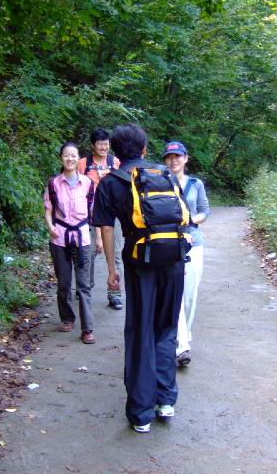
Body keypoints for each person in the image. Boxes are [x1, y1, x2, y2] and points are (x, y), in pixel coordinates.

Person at [92, 124, 186, 433]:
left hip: (140, 263)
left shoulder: (111, 182)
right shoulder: (164, 174)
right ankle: (166, 401)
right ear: (144, 149)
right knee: (166, 329)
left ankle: (141, 413)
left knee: (140, 332)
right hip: (174, 260)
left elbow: (106, 229)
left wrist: (112, 269)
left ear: (116, 153)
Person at [163, 141, 210, 367]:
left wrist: (189, 221)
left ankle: (185, 335)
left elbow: (204, 211)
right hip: (168, 243)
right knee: (176, 293)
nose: (174, 160)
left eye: (178, 156)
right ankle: (182, 346)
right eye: (170, 156)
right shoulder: (161, 182)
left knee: (190, 295)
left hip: (194, 243)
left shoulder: (195, 184)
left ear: (185, 158)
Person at [44, 142, 96, 344]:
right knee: (64, 283)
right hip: (60, 238)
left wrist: (99, 238)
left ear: (78, 158)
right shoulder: (53, 184)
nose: (70, 159)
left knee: (83, 285)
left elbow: (93, 213)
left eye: (74, 155)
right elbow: (48, 210)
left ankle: (87, 329)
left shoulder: (88, 183)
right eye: (66, 155)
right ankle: (67, 318)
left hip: (82, 238)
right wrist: (50, 226)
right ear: (61, 158)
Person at [77, 128, 124, 310]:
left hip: (113, 215)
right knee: (87, 254)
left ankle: (115, 294)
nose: (103, 147)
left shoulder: (115, 162)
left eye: (106, 144)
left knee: (116, 254)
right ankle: (85, 290)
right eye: (100, 144)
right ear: (92, 145)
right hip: (87, 216)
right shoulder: (83, 164)